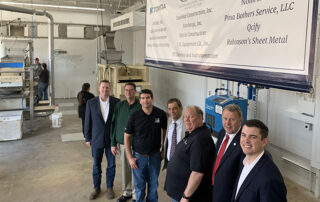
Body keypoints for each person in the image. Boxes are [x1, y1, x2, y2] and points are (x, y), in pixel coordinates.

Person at [124, 89, 167, 202]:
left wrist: (163, 149)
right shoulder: (134, 116)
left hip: (155, 156)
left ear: (152, 98)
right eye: (143, 98)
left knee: (153, 185)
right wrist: (130, 158)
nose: (145, 100)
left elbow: (165, 131)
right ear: (140, 100)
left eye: (148, 97)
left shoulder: (161, 114)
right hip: (139, 158)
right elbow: (127, 136)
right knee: (139, 186)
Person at [164, 106, 215, 202]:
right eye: (185, 116)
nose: (186, 120)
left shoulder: (200, 140)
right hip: (178, 192)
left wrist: (185, 197)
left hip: (186, 196)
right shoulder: (194, 133)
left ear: (200, 118)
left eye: (191, 117)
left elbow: (198, 173)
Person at [232, 119, 287, 202]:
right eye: (243, 135)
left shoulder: (270, 178)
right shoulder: (244, 161)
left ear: (264, 142)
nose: (246, 141)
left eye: (252, 137)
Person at [84, 80, 120, 200]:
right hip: (96, 139)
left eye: (107, 88)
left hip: (111, 141)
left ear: (110, 89)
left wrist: (117, 140)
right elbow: (87, 121)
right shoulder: (91, 103)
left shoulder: (116, 102)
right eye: (103, 87)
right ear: (99, 89)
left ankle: (110, 187)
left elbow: (118, 123)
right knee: (96, 165)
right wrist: (87, 137)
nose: (105, 90)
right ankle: (96, 188)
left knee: (111, 165)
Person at [110, 83, 141, 202]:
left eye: (131, 90)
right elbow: (114, 124)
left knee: (136, 169)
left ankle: (135, 195)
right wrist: (113, 143)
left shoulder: (140, 106)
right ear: (124, 92)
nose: (128, 92)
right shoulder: (119, 106)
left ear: (135, 92)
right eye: (126, 90)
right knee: (125, 169)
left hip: (137, 144)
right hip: (123, 143)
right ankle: (127, 192)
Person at [211, 104, 244, 202]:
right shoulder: (222, 133)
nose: (227, 123)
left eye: (232, 119)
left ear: (241, 121)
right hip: (214, 187)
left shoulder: (243, 143)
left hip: (227, 195)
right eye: (225, 118)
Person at [162, 98, 186, 170]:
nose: (171, 111)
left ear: (181, 108)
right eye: (169, 109)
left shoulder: (187, 124)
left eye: (174, 108)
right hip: (170, 163)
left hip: (183, 164)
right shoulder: (169, 121)